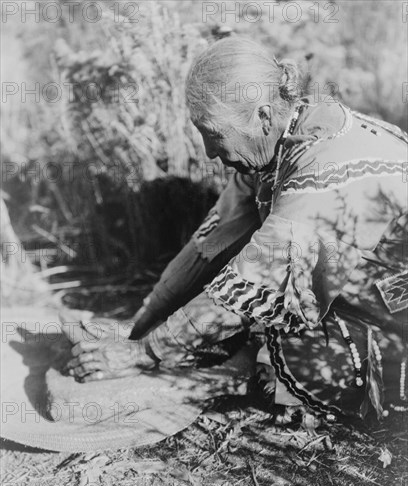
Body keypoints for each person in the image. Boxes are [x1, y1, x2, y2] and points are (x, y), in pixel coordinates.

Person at [64, 38, 407, 422]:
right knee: (261, 320)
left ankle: (232, 378)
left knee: (298, 349)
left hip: (397, 318)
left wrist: (144, 354)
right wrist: (139, 327)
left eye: (212, 133)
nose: (209, 152)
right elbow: (208, 246)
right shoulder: (278, 139)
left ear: (262, 116)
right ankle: (240, 367)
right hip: (360, 296)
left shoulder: (324, 170)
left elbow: (251, 287)